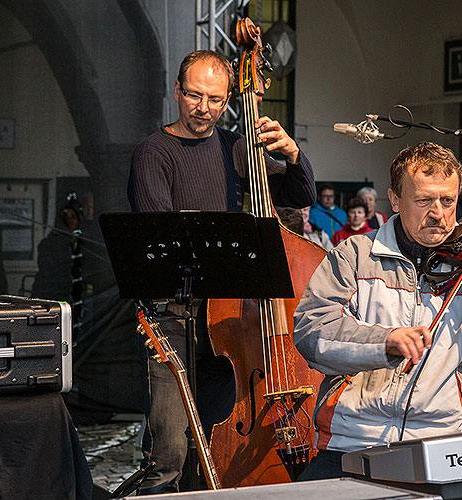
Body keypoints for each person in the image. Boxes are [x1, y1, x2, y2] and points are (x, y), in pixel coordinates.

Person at [293, 142, 462, 491]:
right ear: (395, 200)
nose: (438, 213)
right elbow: (312, 332)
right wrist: (384, 342)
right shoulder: (355, 256)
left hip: (453, 442)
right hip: (356, 441)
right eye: (424, 200)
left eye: (448, 200)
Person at [127, 49, 315, 494]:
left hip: (231, 323)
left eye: (215, 98)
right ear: (177, 91)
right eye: (194, 95)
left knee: (218, 440)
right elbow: (159, 236)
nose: (203, 108)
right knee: (170, 450)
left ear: (229, 98)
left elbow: (300, 194)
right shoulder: (154, 153)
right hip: (173, 316)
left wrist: (291, 154)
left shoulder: (238, 147)